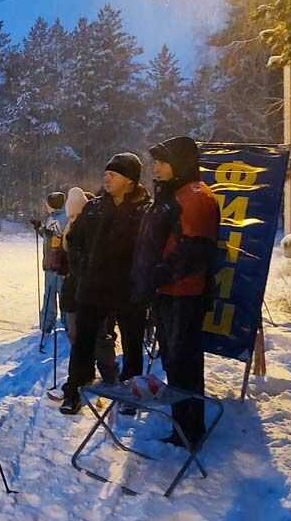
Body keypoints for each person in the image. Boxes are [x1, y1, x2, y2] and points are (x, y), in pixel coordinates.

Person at [133, 136, 220, 448]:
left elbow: (194, 251)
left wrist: (158, 274)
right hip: (166, 292)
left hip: (183, 294)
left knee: (184, 362)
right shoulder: (172, 194)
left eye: (162, 161)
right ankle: (182, 423)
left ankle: (189, 429)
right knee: (173, 360)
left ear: (180, 164)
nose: (155, 167)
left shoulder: (196, 197)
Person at [60, 153, 151, 415]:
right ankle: (75, 390)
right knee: (83, 343)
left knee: (132, 344)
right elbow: (74, 242)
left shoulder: (145, 209)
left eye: (114, 174)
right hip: (93, 288)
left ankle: (129, 394)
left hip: (129, 290)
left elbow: (150, 251)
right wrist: (81, 270)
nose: (106, 177)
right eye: (106, 173)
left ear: (131, 180)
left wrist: (142, 280)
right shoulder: (95, 207)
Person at [60, 187, 118, 385]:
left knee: (99, 338)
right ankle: (82, 378)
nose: (74, 218)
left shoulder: (95, 230)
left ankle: (111, 376)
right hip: (72, 291)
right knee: (75, 336)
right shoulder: (68, 230)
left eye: (78, 214)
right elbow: (66, 260)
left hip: (93, 292)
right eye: (71, 215)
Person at [31, 192, 69, 334]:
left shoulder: (64, 218)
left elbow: (60, 239)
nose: (46, 206)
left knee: (61, 295)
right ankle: (47, 324)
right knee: (50, 295)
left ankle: (67, 324)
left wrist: (48, 233)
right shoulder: (52, 217)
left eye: (47, 203)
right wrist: (39, 228)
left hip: (59, 265)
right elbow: (49, 237)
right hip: (50, 264)